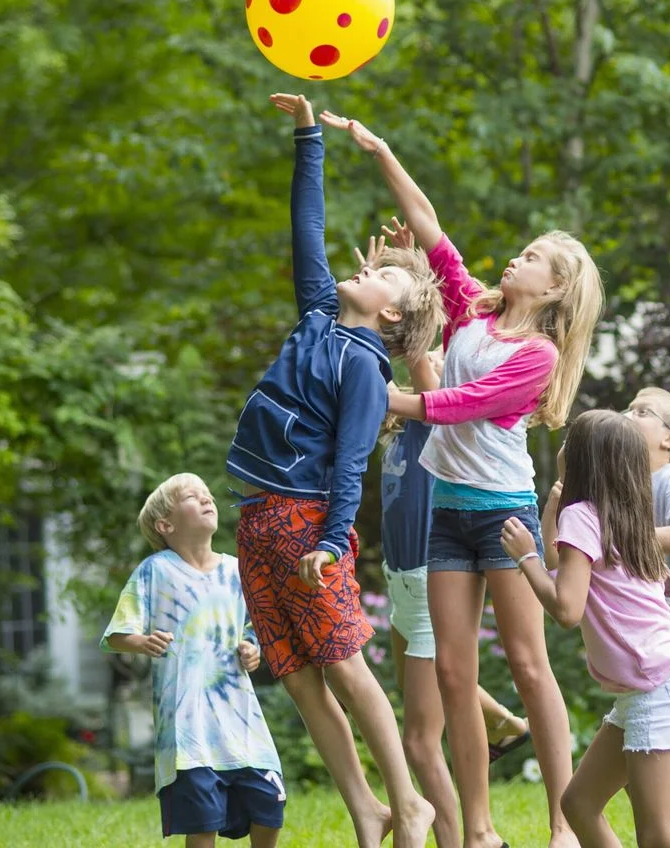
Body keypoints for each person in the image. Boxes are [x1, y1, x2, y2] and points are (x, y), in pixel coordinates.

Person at [322, 108, 603, 848]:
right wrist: (380, 148)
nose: (518, 258)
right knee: (452, 676)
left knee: (529, 667)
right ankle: (477, 832)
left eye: (535, 257)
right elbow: (430, 224)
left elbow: (462, 405)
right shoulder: (471, 310)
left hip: (503, 513)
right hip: (447, 511)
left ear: (555, 287)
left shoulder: (537, 355)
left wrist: (385, 396)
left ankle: (561, 821)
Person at [226, 94, 441, 848]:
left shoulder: (365, 365)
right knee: (294, 674)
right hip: (258, 517)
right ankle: (366, 809)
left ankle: (410, 803)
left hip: (304, 521)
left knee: (344, 665)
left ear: (391, 315)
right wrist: (308, 135)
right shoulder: (320, 313)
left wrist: (333, 538)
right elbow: (306, 227)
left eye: (385, 274)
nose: (368, 265)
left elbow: (352, 461)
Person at [377, 271, 530, 848]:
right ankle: (501, 721)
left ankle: (464, 837)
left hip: (427, 570)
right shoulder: (397, 436)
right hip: (402, 580)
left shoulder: (432, 428)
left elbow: (419, 350)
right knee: (424, 697)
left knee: (419, 737)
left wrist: (406, 276)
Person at [502, 410, 670, 848]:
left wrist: (524, 558)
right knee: (579, 804)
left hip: (657, 687)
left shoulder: (586, 516)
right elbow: (564, 568)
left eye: (572, 440)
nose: (564, 446)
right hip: (653, 684)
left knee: (660, 836)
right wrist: (551, 514)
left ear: (584, 459)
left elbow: (567, 608)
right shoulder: (619, 513)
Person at [103, 474, 285, 848]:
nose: (207, 499)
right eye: (191, 496)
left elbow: (254, 629)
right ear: (165, 525)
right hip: (187, 733)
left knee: (270, 806)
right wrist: (142, 641)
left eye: (207, 495)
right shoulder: (155, 571)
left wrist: (253, 648)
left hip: (242, 723)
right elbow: (117, 634)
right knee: (202, 824)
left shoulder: (237, 570)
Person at [624, 388, 670, 639]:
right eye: (629, 409)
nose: (628, 416)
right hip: (641, 626)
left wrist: (620, 535)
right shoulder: (624, 484)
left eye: (642, 412)